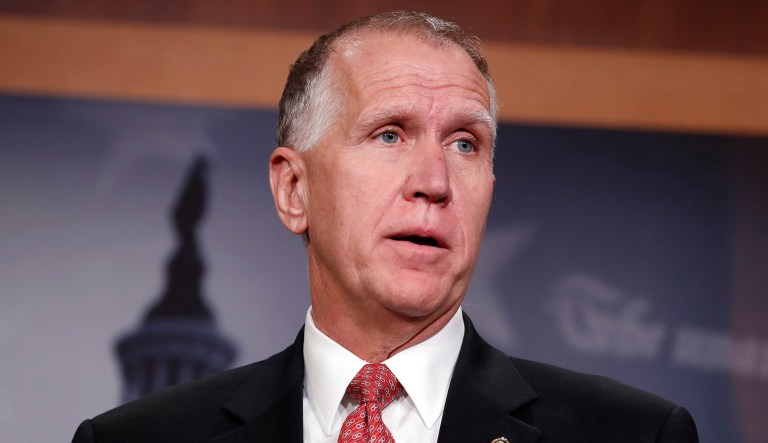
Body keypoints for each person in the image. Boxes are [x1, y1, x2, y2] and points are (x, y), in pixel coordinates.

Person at [72, 10, 698, 443]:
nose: (434, 180)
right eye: (390, 134)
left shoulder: (636, 435)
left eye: (465, 143)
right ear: (294, 190)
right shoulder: (135, 440)